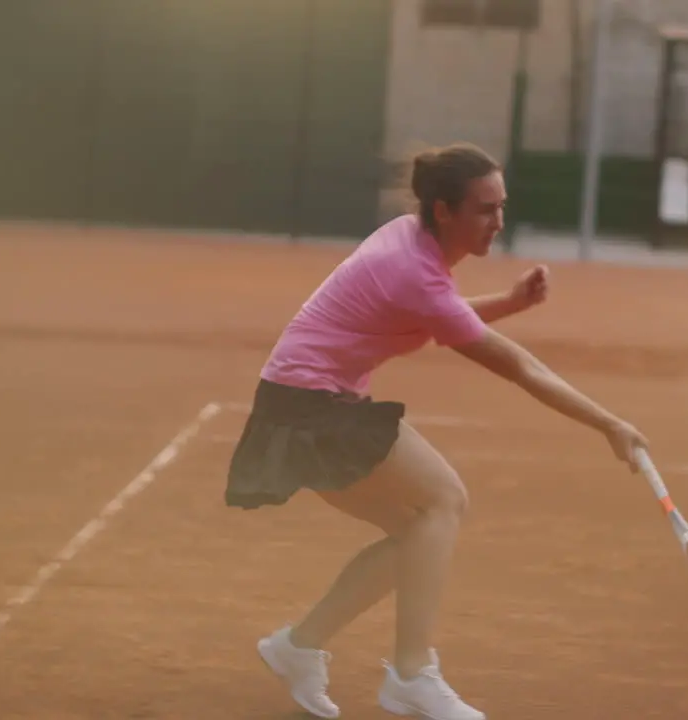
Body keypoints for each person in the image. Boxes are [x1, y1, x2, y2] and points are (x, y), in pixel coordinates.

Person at [225, 142, 649, 720]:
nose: (498, 222)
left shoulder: (411, 240)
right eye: (484, 209)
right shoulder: (413, 271)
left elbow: (431, 312)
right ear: (445, 211)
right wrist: (610, 424)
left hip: (298, 403)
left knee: (417, 539)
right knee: (444, 501)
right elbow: (519, 365)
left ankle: (297, 647)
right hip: (310, 409)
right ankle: (410, 675)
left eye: (502, 207)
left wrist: (508, 301)